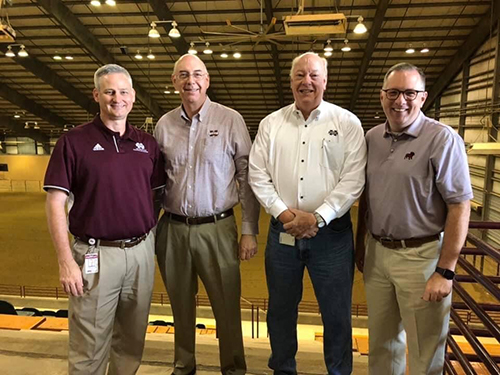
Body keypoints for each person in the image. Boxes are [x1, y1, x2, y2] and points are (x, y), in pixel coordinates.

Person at [248, 52, 367, 375]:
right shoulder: (271, 124)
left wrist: (318, 217)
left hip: (332, 237)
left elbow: (353, 179)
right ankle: (283, 369)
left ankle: (339, 371)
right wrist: (286, 216)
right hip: (282, 232)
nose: (306, 81)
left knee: (337, 314)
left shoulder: (346, 123)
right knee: (280, 311)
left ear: (325, 81)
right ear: (291, 82)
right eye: (299, 75)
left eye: (314, 75)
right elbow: (258, 175)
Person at [44, 64, 165, 374]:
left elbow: (157, 194)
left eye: (124, 92)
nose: (117, 98)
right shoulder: (73, 142)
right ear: (97, 95)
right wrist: (66, 261)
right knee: (89, 345)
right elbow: (55, 202)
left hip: (140, 254)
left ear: (133, 97)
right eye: (110, 92)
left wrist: (143, 230)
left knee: (131, 341)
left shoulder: (147, 144)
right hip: (95, 254)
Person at [355, 62, 472, 375]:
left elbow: (460, 205)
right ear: (382, 96)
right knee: (381, 345)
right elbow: (367, 198)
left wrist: (445, 271)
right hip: (378, 254)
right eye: (392, 92)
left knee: (424, 351)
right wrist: (361, 246)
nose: (399, 101)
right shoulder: (372, 138)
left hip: (421, 258)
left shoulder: (443, 140)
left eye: (409, 93)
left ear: (423, 97)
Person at [154, 54, 260, 375]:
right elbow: (156, 182)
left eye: (197, 74)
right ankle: (184, 365)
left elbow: (246, 176)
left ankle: (233, 368)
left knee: (226, 304)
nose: (191, 81)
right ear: (174, 82)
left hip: (218, 228)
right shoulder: (164, 125)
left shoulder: (230, 120)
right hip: (172, 228)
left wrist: (249, 229)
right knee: (180, 306)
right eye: (183, 75)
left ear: (207, 80)